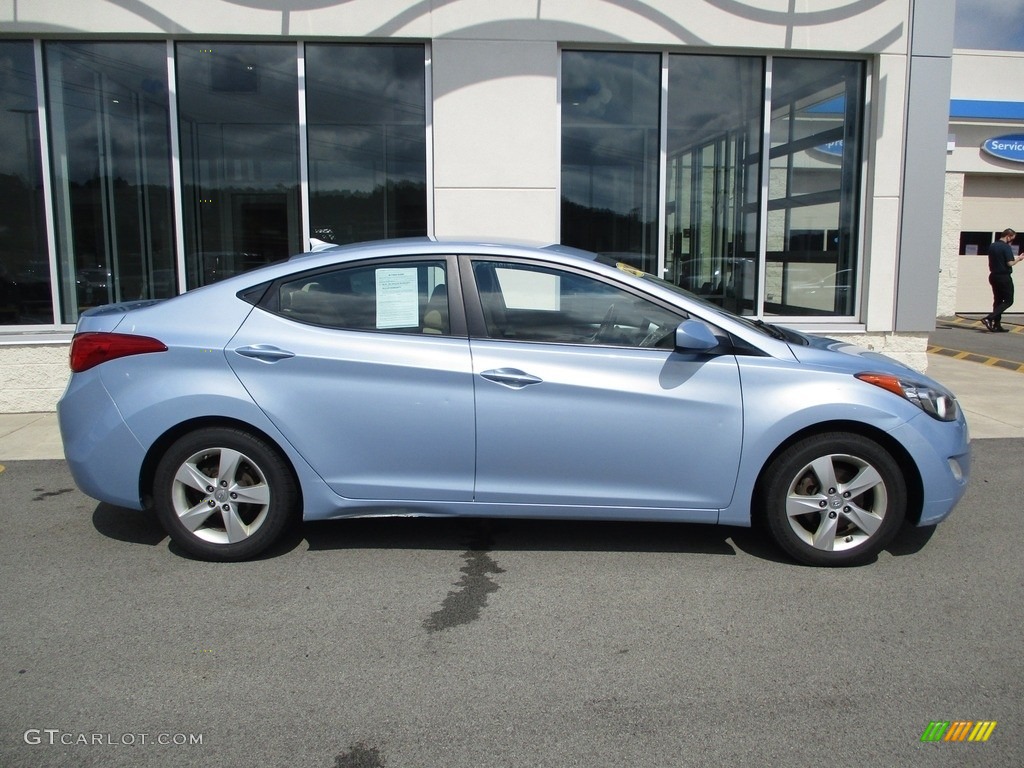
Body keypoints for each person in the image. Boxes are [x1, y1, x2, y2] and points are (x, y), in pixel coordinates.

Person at [982, 228, 1024, 332]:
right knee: (1009, 301)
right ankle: (989, 318)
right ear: (1008, 236)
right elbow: (1010, 263)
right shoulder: (1005, 247)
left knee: (998, 300)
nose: (1012, 241)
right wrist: (1019, 259)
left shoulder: (993, 245)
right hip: (1004, 276)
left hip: (993, 276)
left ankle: (996, 324)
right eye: (1012, 238)